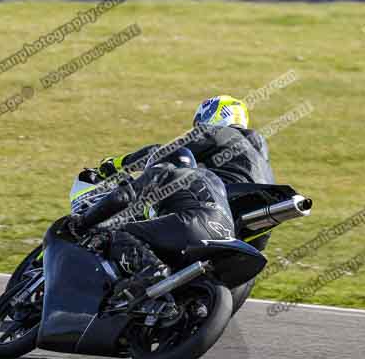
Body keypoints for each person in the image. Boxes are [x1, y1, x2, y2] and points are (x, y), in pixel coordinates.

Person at [96, 95, 275, 249]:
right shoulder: (258, 155)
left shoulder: (218, 132)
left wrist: (118, 163)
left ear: (212, 114)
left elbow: (164, 151)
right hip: (253, 224)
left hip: (218, 205)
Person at [66, 147, 236, 298]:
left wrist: (84, 220)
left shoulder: (166, 168)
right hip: (227, 236)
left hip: (192, 225)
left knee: (115, 232)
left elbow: (124, 196)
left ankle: (152, 271)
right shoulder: (212, 180)